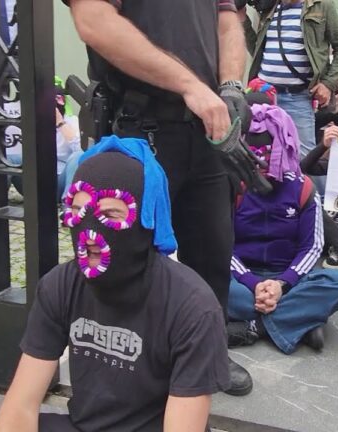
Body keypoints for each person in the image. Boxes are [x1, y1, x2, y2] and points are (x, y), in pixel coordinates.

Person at [0, 138, 229, 432]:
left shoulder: (192, 306)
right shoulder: (61, 284)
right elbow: (21, 403)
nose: (90, 230)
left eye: (110, 214)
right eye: (80, 211)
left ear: (146, 221)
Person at [66, 0, 253, 395]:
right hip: (139, 125)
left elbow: (228, 20)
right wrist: (190, 85)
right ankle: (123, 362)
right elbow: (94, 20)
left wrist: (231, 85)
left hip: (206, 127)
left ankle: (207, 353)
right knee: (127, 253)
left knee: (212, 253)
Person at [227, 104, 338, 353]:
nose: (260, 161)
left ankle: (255, 327)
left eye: (267, 152)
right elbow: (223, 247)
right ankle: (303, 319)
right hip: (242, 280)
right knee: (205, 284)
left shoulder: (303, 188)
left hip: (290, 279)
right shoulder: (233, 186)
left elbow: (313, 247)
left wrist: (282, 284)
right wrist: (253, 283)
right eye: (253, 153)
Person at [240, 0, 338, 157]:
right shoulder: (269, 7)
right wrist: (242, 21)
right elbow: (257, 48)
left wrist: (328, 83)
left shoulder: (321, 6)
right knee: (262, 155)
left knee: (303, 158)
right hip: (264, 97)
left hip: (297, 97)